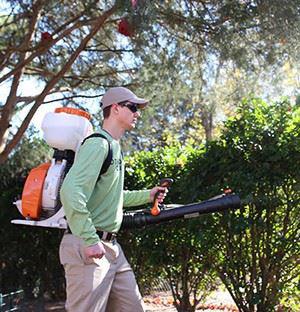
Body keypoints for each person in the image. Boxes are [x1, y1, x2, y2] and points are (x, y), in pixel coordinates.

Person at [59, 87, 168, 312]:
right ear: (116, 109)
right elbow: (70, 191)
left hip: (112, 250)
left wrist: (148, 195)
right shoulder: (98, 144)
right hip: (88, 246)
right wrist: (90, 239)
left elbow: (113, 196)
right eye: (133, 107)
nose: (137, 113)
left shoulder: (114, 147)